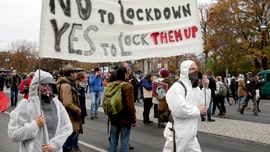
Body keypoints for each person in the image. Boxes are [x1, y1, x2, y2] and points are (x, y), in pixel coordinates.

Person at [8, 69, 73, 152]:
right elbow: (14, 134)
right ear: (36, 86)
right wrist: (35, 125)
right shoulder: (26, 105)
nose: (47, 87)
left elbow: (67, 128)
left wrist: (54, 145)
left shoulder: (57, 105)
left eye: (49, 84)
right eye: (43, 84)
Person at [163, 60, 207, 152]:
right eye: (192, 69)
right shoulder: (177, 88)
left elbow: (203, 107)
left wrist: (205, 88)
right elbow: (179, 110)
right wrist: (197, 111)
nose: (195, 71)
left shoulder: (195, 88)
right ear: (184, 71)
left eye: (196, 68)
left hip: (191, 133)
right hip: (178, 133)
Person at [109, 67, 137, 152]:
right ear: (125, 75)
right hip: (125, 118)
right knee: (124, 140)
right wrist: (133, 120)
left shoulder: (112, 84)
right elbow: (130, 105)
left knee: (113, 140)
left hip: (113, 115)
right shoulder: (128, 86)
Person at [57, 66, 83, 152]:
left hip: (69, 117)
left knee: (69, 143)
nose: (76, 74)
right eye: (75, 73)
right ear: (71, 74)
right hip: (70, 117)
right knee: (67, 146)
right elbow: (67, 103)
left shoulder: (67, 83)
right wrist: (78, 110)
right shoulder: (67, 85)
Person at [74, 71, 88, 152]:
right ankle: (74, 147)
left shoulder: (81, 88)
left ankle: (75, 146)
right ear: (81, 79)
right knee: (76, 131)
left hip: (81, 112)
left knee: (77, 131)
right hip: (79, 113)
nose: (87, 80)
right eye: (86, 78)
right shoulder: (78, 89)